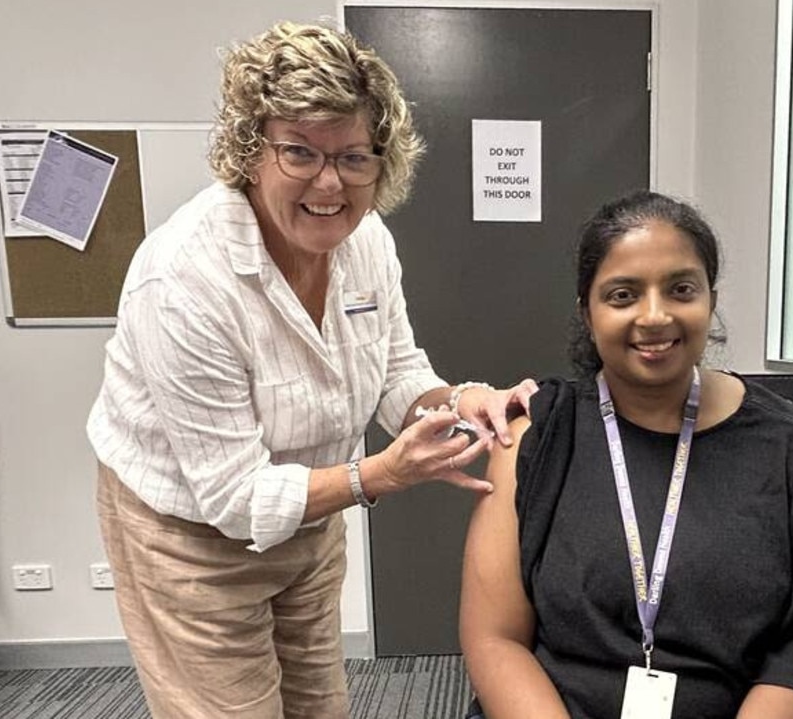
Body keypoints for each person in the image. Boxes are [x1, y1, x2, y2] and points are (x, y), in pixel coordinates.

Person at [87, 21, 536, 718]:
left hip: (308, 518)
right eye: (299, 151)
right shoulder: (184, 280)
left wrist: (460, 398)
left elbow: (393, 369)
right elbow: (234, 497)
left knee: (318, 704)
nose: (330, 183)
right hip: (189, 536)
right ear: (250, 152)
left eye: (355, 158)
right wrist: (384, 473)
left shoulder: (366, 242)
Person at [460, 191, 793, 718]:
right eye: (623, 295)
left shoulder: (790, 447)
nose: (655, 316)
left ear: (710, 301)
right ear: (587, 311)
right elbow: (495, 639)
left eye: (680, 289)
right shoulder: (540, 434)